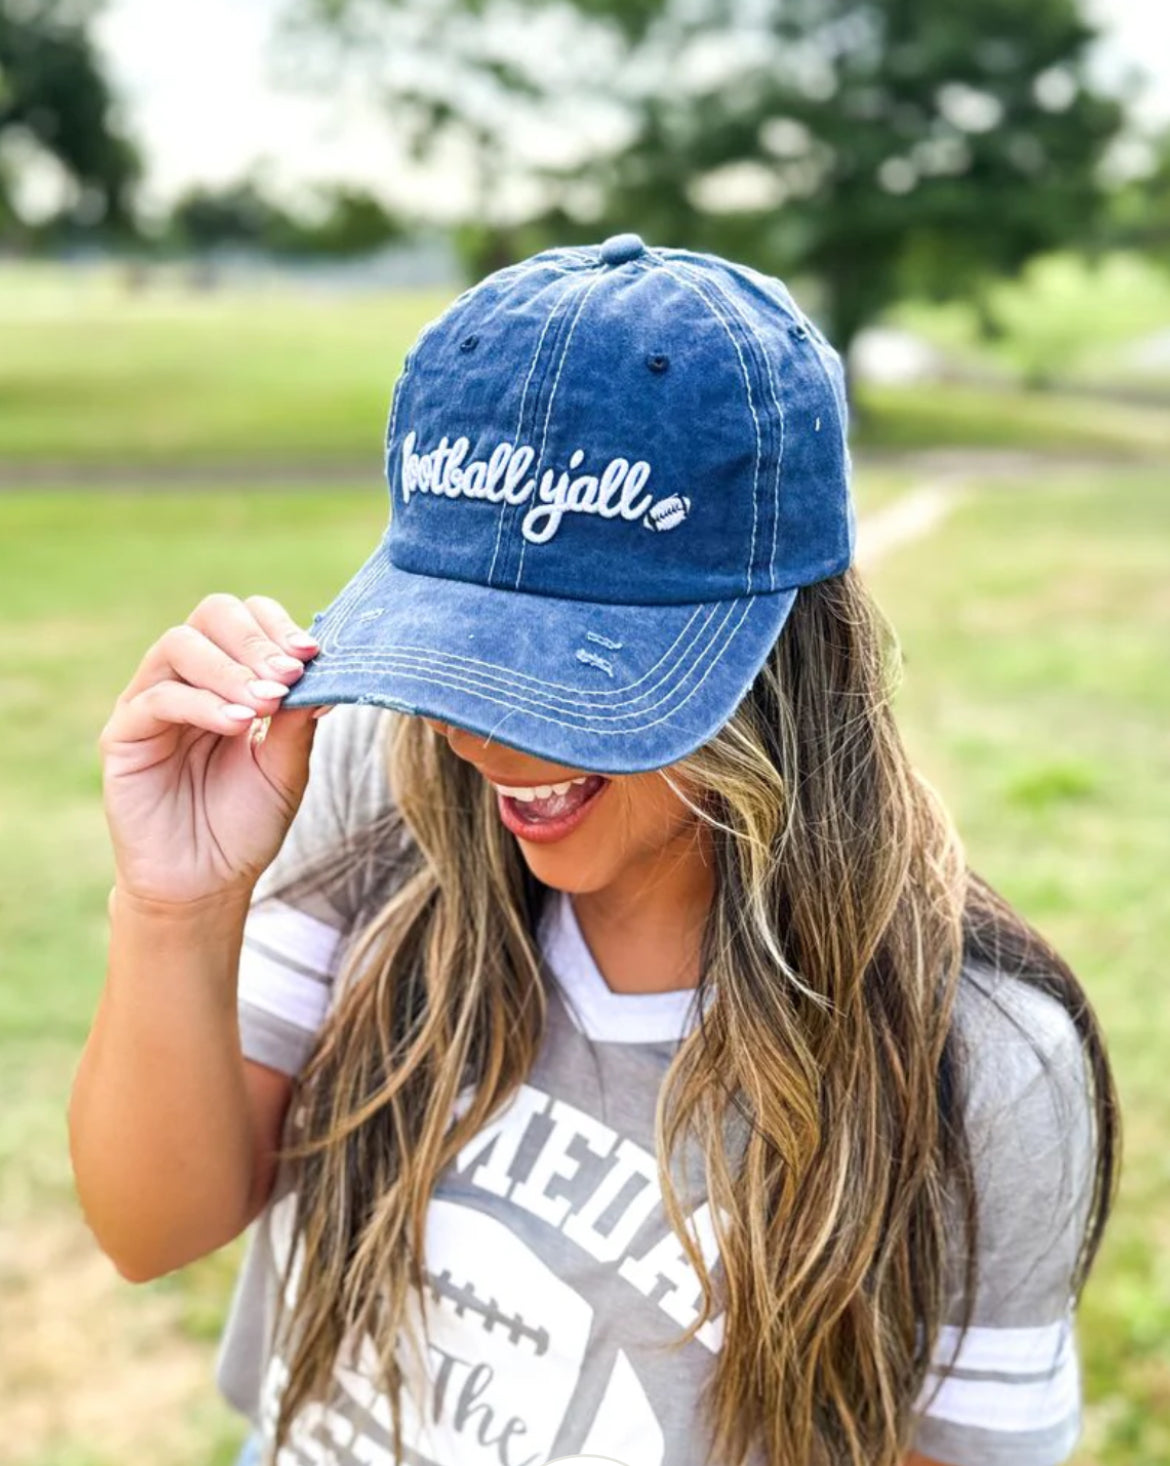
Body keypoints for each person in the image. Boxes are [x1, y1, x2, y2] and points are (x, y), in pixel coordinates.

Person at [69, 235, 1120, 1466]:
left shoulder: (979, 1062)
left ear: (782, 643)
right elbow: (151, 1226)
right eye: (458, 649)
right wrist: (175, 905)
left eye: (572, 670)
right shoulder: (370, 789)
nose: (476, 732)